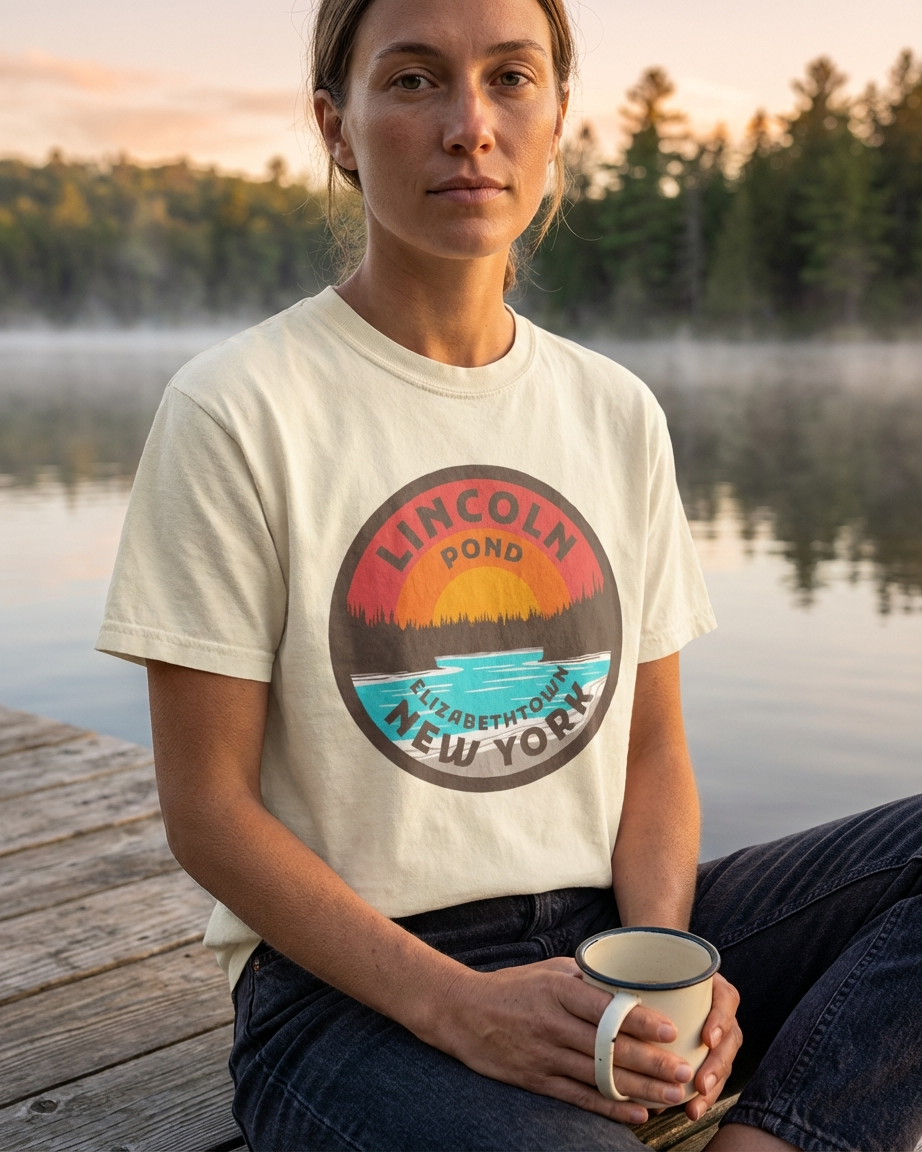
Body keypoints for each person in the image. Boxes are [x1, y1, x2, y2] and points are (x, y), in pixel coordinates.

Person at [96, 0, 922, 1148]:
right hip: (344, 997)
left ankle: (774, 1135)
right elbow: (209, 813)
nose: (469, 126)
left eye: (511, 79)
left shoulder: (613, 411)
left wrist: (664, 976)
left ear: (557, 117)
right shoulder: (238, 410)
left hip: (600, 937)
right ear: (338, 127)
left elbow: (650, 750)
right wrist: (460, 1009)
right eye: (416, 79)